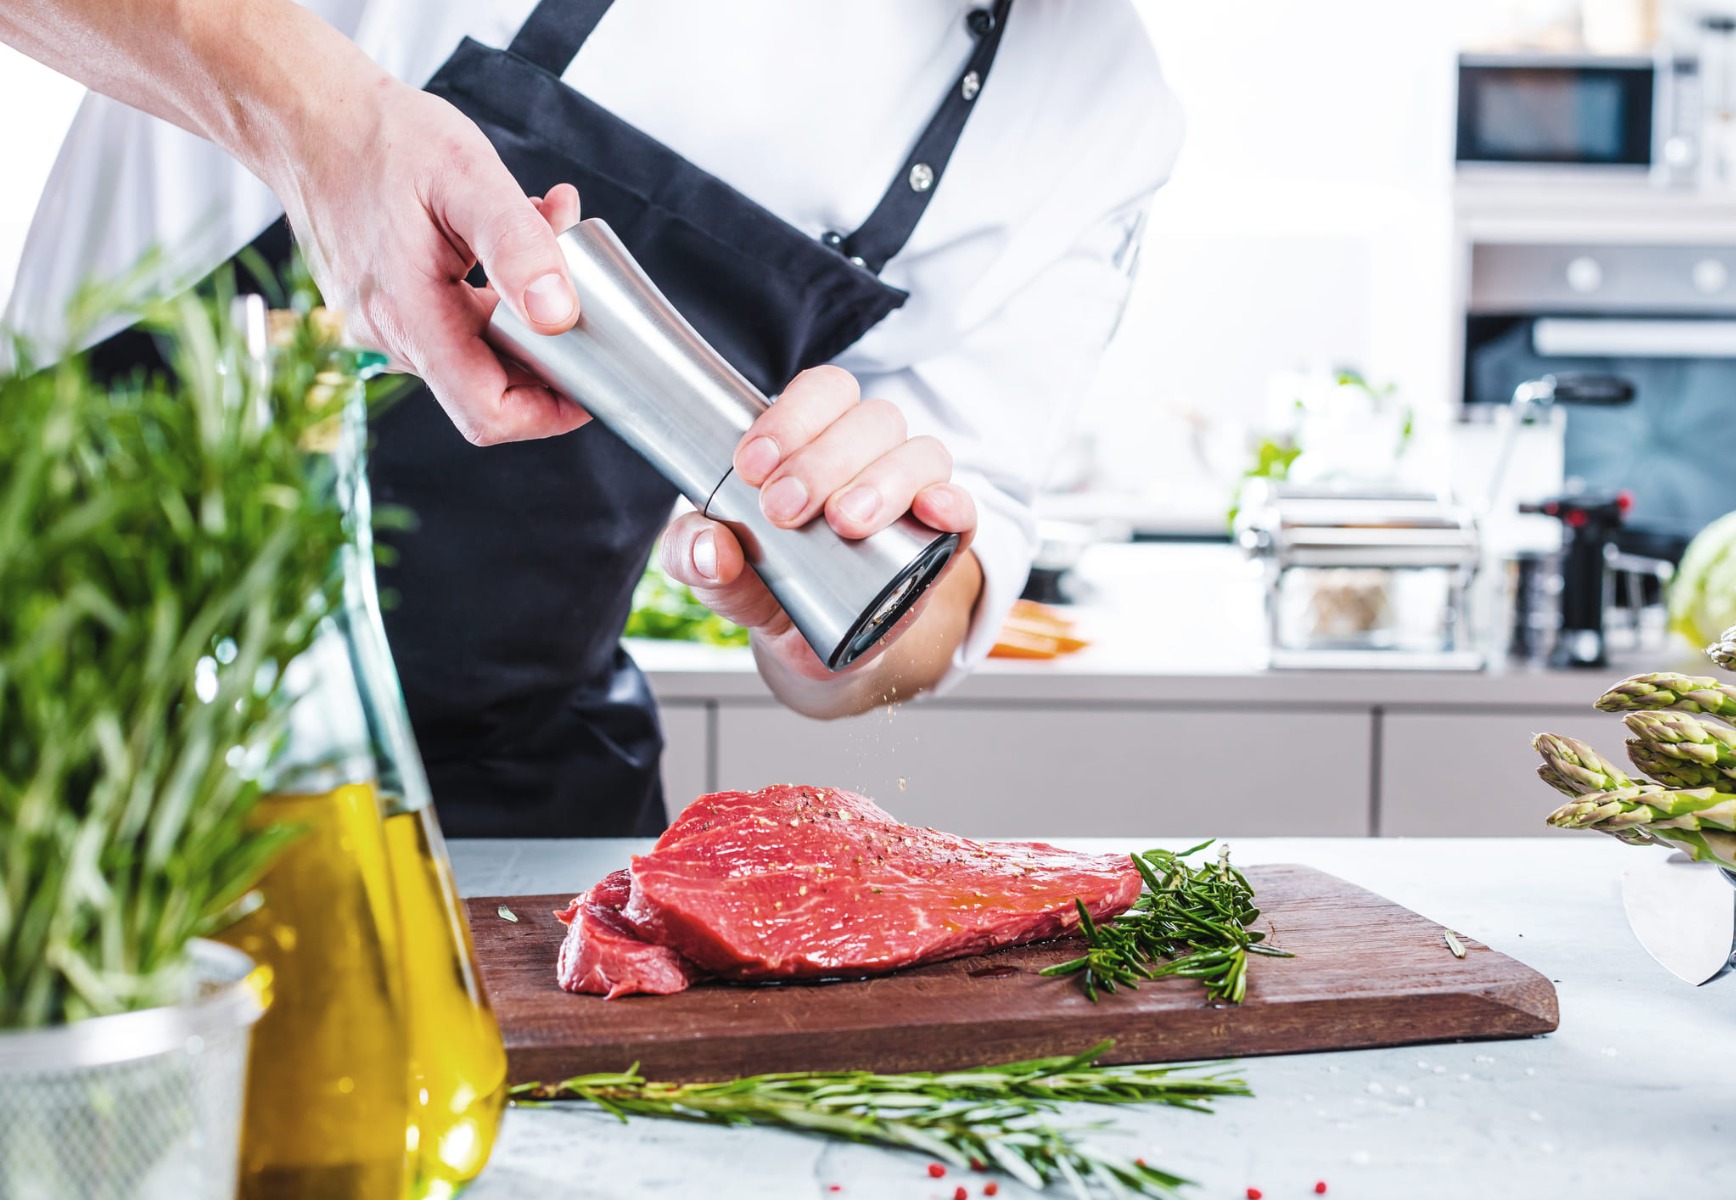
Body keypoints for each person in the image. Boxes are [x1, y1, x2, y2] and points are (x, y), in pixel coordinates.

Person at [1, 0, 1182, 836]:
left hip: (501, 785)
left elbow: (944, 589)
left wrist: (838, 589)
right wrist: (321, 123)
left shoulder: (1097, 111)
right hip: (58, 703)